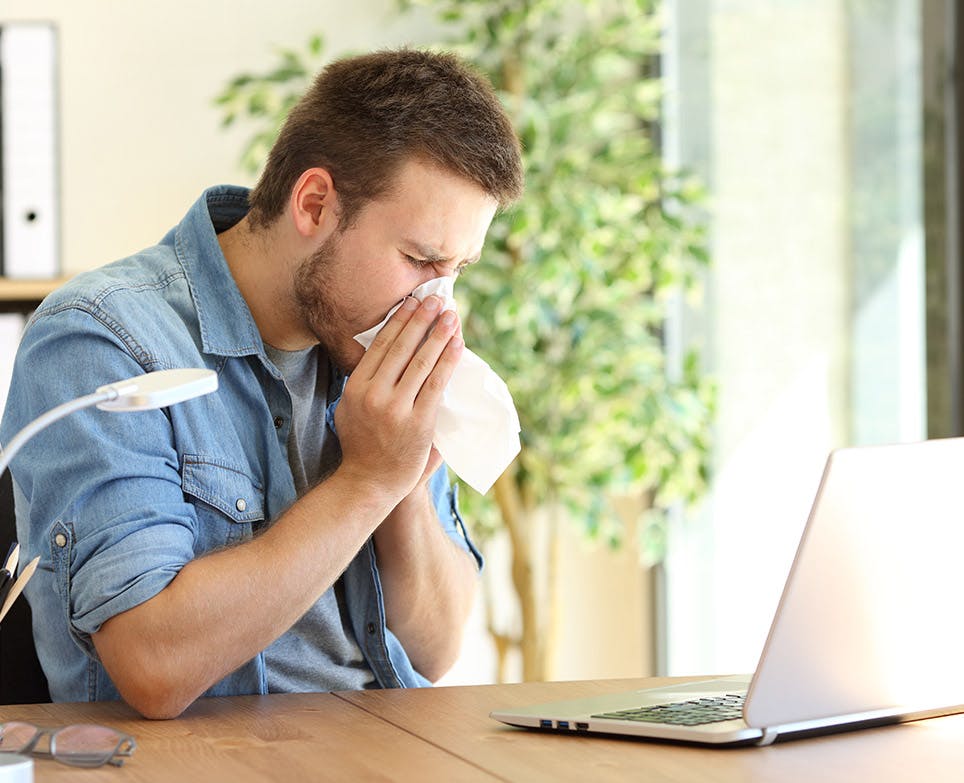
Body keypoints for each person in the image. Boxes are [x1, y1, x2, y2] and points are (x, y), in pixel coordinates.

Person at [0, 48, 524, 719]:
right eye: (421, 259)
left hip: (389, 748)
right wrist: (364, 481)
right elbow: (154, 666)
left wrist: (404, 482)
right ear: (314, 204)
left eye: (457, 269)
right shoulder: (103, 338)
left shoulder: (371, 342)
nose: (438, 302)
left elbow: (436, 646)